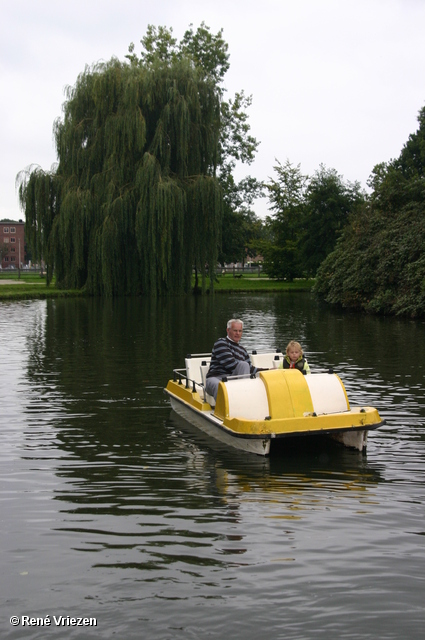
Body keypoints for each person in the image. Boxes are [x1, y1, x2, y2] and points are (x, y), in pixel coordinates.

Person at [205, 319, 257, 401]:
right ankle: (224, 410)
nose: (238, 333)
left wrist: (268, 370)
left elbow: (250, 369)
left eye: (240, 331)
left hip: (234, 379)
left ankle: (243, 401)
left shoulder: (243, 350)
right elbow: (231, 365)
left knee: (244, 365)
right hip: (216, 378)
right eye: (235, 331)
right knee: (220, 385)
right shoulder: (221, 343)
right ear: (228, 330)